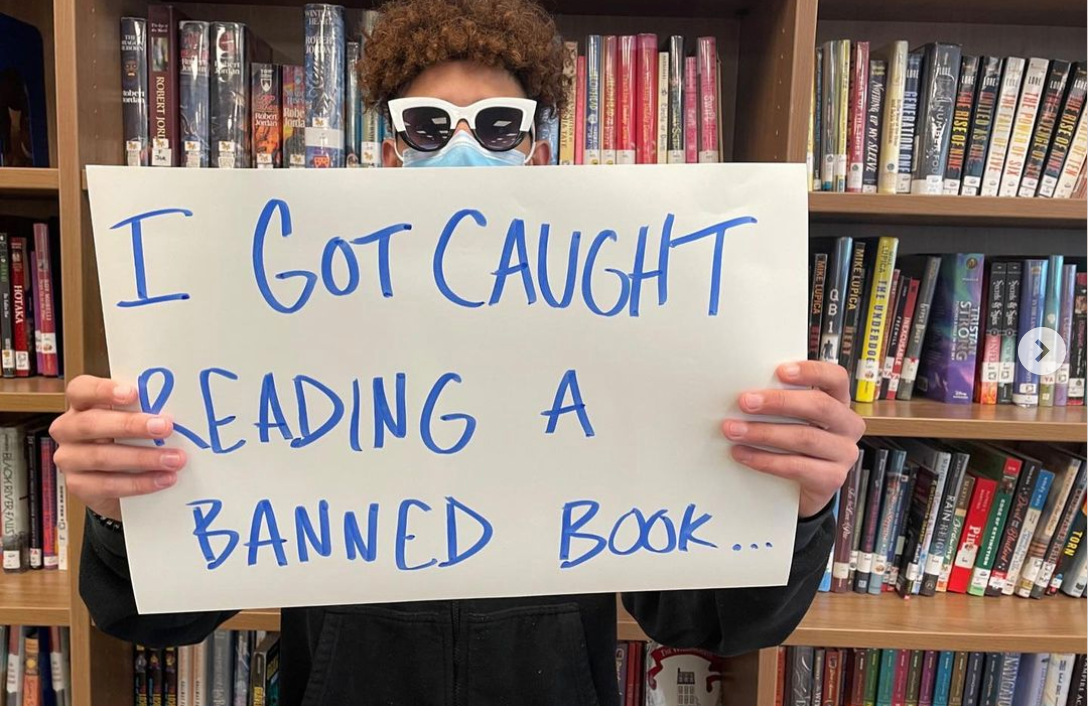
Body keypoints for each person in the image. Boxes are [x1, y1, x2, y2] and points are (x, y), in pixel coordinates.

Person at [51, 0, 866, 703]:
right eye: (429, 126)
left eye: (500, 126)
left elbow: (718, 623)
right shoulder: (289, 334)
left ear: (538, 150)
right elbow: (154, 619)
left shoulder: (620, 339)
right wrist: (125, 514)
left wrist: (795, 507)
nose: (464, 150)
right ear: (389, 150)